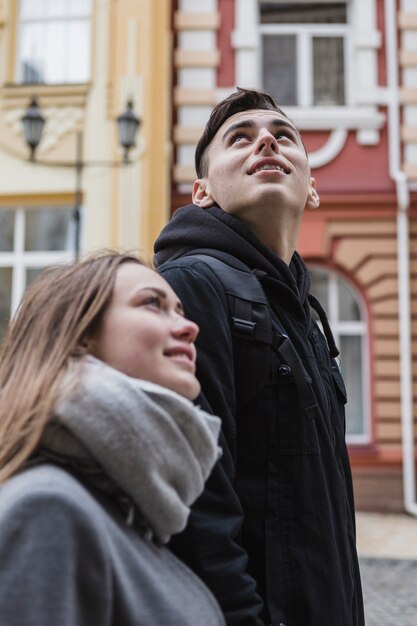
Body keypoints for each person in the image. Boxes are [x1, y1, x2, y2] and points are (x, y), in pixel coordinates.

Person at [154, 88, 365, 626]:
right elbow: (196, 498)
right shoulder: (193, 285)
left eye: (282, 135)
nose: (266, 140)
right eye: (239, 139)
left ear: (312, 188)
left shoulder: (306, 312)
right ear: (201, 191)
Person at [0, 252, 226, 626]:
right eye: (152, 304)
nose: (189, 327)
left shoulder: (130, 508)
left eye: (180, 310)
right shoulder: (46, 509)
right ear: (82, 336)